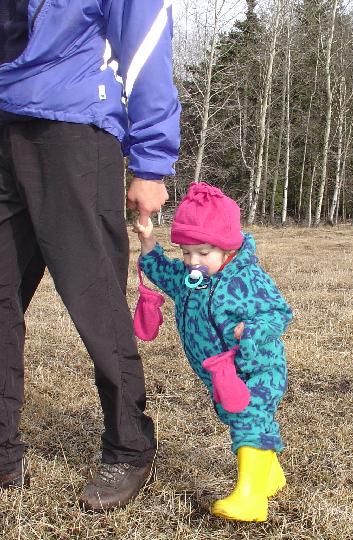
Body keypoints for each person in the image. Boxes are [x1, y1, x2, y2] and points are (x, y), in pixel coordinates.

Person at [0, 0, 180, 511]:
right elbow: (0, 27)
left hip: (76, 128)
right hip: (7, 131)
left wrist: (151, 162)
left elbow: (144, 45)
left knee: (93, 295)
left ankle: (129, 446)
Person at [132, 182, 292, 522]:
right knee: (235, 416)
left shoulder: (246, 279)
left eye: (203, 253)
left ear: (228, 248)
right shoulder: (193, 277)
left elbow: (278, 312)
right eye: (186, 252)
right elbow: (164, 272)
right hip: (220, 375)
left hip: (257, 368)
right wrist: (148, 242)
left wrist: (251, 331)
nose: (193, 261)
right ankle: (269, 476)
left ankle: (250, 499)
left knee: (248, 416)